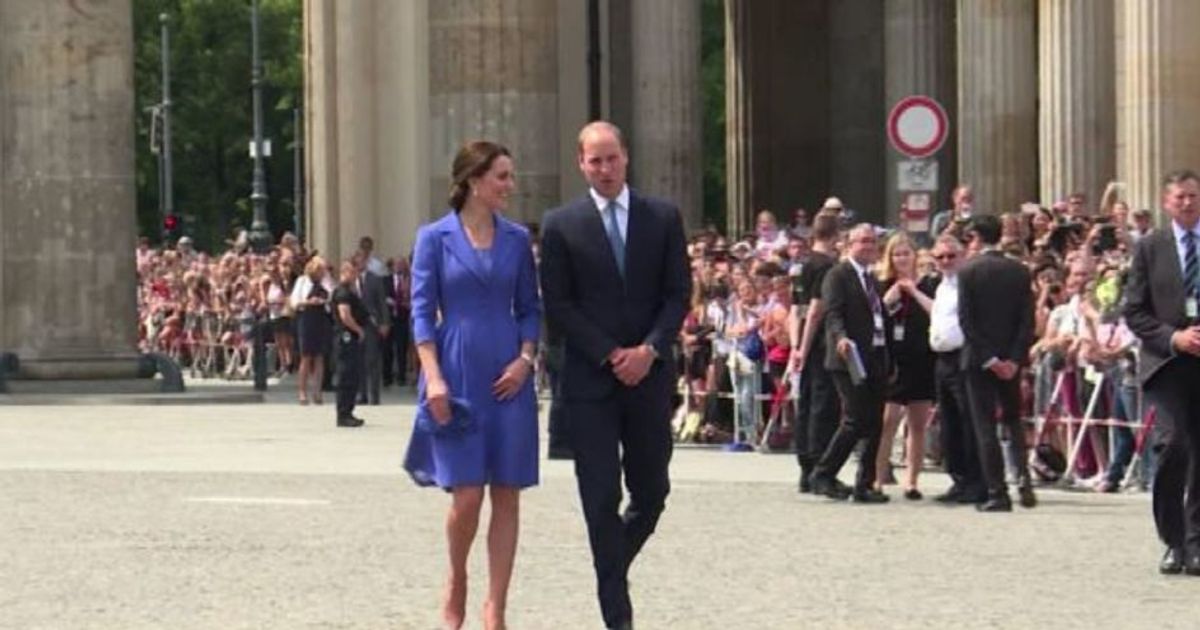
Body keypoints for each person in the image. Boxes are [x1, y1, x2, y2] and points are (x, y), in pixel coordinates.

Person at [539, 121, 690, 630]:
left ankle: (611, 566)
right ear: (581, 164)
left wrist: (649, 349)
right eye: (594, 160)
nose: (604, 169)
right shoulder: (562, 224)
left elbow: (678, 294)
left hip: (648, 378)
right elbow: (558, 305)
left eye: (612, 158)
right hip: (591, 382)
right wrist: (610, 354)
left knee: (652, 494)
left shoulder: (662, 217)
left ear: (626, 157)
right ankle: (617, 616)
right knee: (600, 495)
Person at [402, 140, 541, 630]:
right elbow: (420, 312)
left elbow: (530, 307)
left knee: (507, 491)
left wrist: (526, 359)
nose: (510, 185)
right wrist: (432, 375)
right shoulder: (433, 238)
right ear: (473, 181)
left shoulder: (518, 239)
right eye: (502, 176)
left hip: (508, 373)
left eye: (509, 174)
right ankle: (457, 577)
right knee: (467, 496)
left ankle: (496, 606)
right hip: (455, 367)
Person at [1123, 169, 1200, 576]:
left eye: (1193, 196)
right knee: (1174, 445)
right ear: (1166, 202)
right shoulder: (1151, 247)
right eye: (1180, 197)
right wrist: (1174, 338)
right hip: (1167, 362)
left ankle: (1196, 542)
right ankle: (1172, 539)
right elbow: (1133, 310)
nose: (1187, 203)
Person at [958, 214, 1037, 512]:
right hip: (1011, 358)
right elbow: (1026, 321)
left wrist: (990, 358)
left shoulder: (968, 272)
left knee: (985, 426)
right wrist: (1014, 359)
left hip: (979, 360)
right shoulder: (1019, 271)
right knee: (1013, 420)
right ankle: (1023, 478)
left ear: (978, 237)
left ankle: (997, 490)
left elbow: (968, 322)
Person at [808, 223, 891, 504]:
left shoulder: (872, 279)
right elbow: (833, 313)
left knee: (875, 422)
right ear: (849, 245)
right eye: (863, 241)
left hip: (876, 355)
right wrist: (841, 338)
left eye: (873, 242)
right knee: (855, 419)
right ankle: (823, 473)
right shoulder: (838, 275)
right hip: (848, 358)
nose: (869, 246)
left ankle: (864, 484)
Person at [874, 232, 937, 499]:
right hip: (893, 358)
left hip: (922, 356)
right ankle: (877, 477)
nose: (901, 258)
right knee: (888, 421)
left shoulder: (930, 284)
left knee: (918, 423)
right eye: (896, 254)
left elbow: (937, 311)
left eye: (906, 253)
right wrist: (892, 295)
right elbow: (874, 313)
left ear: (915, 256)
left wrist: (913, 291)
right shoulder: (882, 284)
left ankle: (912, 480)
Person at [927, 235, 986, 504]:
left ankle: (976, 480)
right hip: (942, 358)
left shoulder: (969, 284)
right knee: (949, 423)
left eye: (951, 256)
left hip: (963, 356)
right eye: (940, 257)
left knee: (968, 421)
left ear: (963, 256)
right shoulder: (941, 286)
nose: (946, 262)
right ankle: (959, 478)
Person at [791, 211, 842, 492]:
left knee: (806, 405)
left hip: (802, 341)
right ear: (836, 236)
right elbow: (815, 310)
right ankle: (818, 466)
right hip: (821, 342)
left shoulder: (802, 264)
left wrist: (796, 346)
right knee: (823, 406)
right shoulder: (827, 267)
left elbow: (794, 309)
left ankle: (805, 469)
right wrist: (806, 345)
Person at [330, 261, 369, 428]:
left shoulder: (349, 291)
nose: (354, 276)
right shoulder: (342, 293)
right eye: (352, 272)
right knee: (346, 375)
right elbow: (345, 315)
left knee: (353, 375)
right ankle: (343, 413)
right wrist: (358, 330)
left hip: (350, 337)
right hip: (346, 338)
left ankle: (348, 411)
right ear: (345, 272)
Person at [291, 256, 332, 405]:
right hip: (306, 319)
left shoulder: (326, 282)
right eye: (320, 270)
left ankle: (317, 391)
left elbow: (331, 297)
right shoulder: (302, 281)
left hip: (321, 319)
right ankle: (302, 392)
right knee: (306, 356)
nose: (323, 273)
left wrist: (324, 301)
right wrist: (308, 302)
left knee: (320, 356)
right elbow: (294, 302)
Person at [352, 254, 391, 406]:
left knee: (372, 360)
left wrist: (385, 322)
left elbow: (382, 302)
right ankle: (362, 394)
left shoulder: (374, 279)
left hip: (371, 324)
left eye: (361, 262)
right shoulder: (350, 280)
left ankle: (374, 395)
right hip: (355, 325)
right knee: (359, 361)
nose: (359, 264)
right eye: (356, 262)